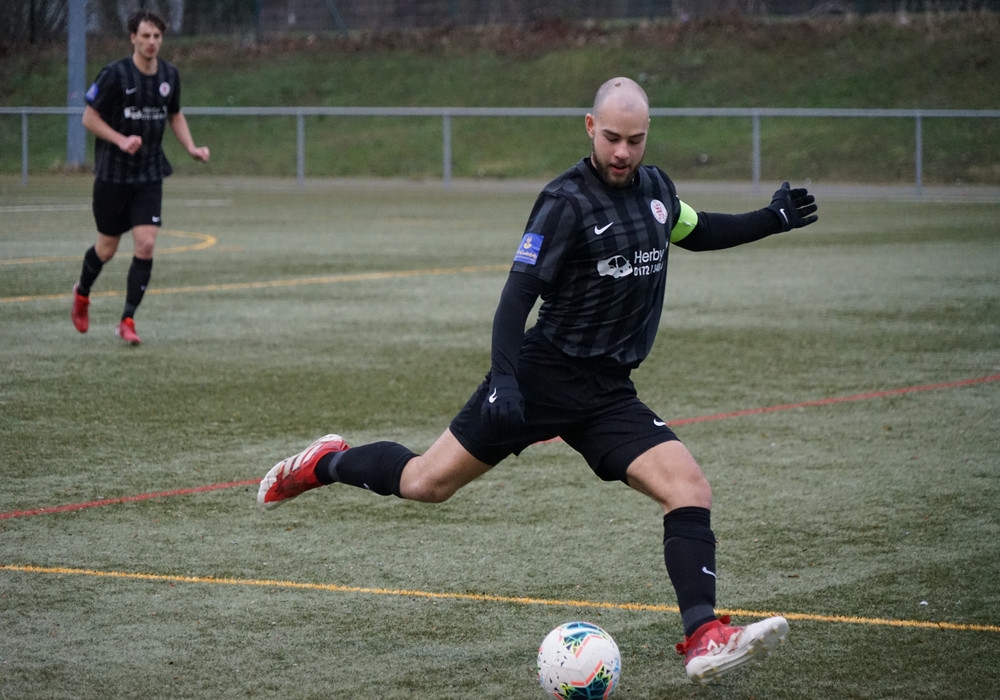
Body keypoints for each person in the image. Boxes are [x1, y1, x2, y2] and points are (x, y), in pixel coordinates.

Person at [258, 76, 817, 685]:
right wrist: (504, 381)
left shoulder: (656, 191)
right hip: (540, 378)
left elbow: (697, 230)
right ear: (590, 127)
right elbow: (515, 297)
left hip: (608, 391)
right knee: (426, 483)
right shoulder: (565, 202)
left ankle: (704, 635)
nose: (622, 152)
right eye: (611, 138)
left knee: (689, 488)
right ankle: (326, 463)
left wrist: (772, 218)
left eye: (634, 140)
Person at [71, 9, 209, 345]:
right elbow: (89, 118)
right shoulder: (115, 74)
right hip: (113, 175)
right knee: (106, 249)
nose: (151, 42)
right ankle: (82, 293)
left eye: (157, 36)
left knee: (146, 244)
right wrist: (120, 140)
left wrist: (191, 147)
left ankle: (127, 319)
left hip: (149, 173)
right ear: (133, 37)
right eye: (145, 36)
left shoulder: (169, 75)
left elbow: (175, 114)